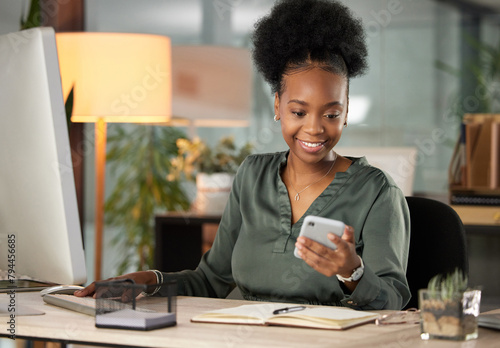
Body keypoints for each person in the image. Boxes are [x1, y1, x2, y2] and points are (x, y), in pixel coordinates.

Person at [76, 0, 411, 310]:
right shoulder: (253, 176)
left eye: (331, 114)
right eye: (299, 112)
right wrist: (149, 281)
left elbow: (394, 301)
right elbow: (210, 280)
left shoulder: (376, 192)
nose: (314, 129)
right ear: (278, 106)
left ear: (347, 111)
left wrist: (352, 273)